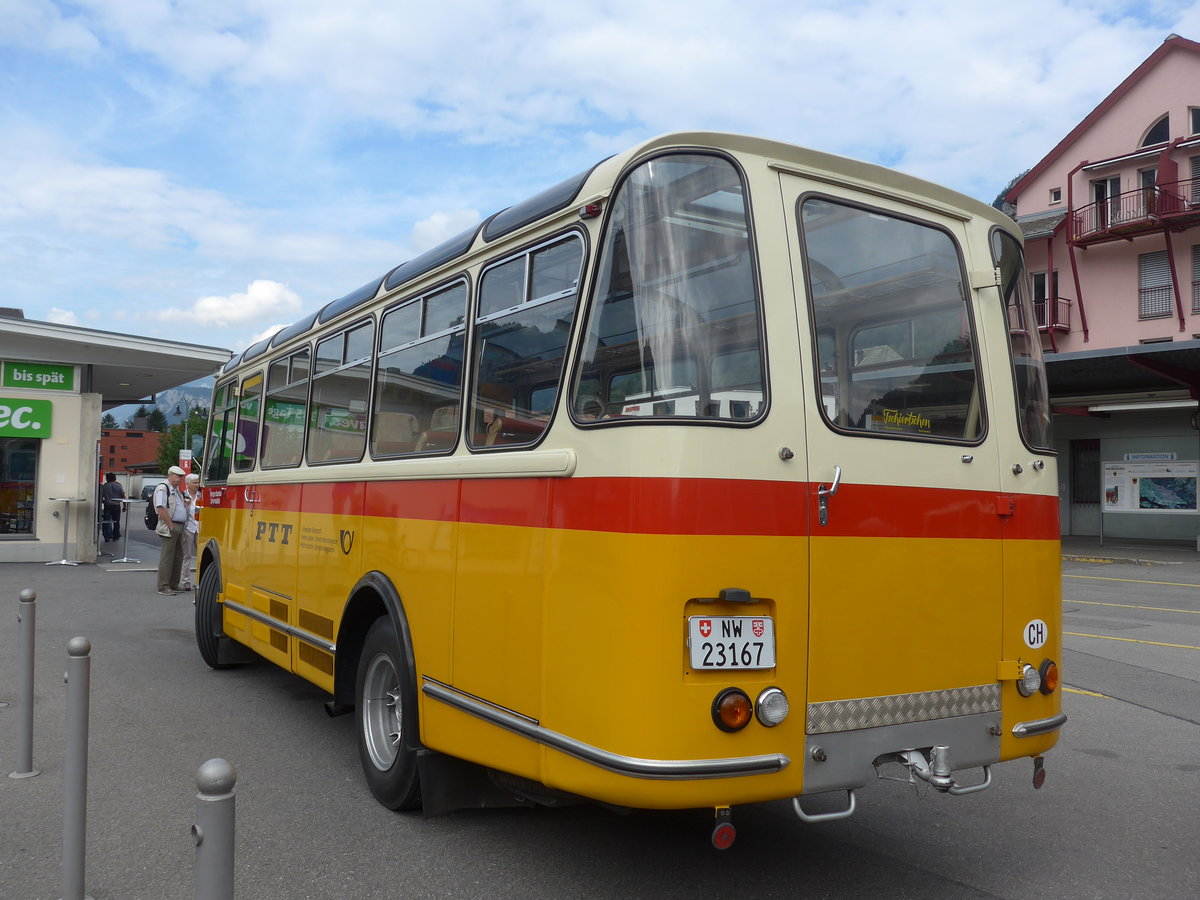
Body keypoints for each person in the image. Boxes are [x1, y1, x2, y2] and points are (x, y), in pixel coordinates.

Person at [154, 466, 191, 596]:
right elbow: (160, 508)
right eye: (178, 476)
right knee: (167, 557)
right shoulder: (163, 488)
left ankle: (173, 584)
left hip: (178, 525)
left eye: (181, 477)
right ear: (170, 476)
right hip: (171, 526)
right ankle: (163, 586)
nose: (181, 479)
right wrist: (171, 526)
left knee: (178, 556)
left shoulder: (176, 490)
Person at [180, 472, 201, 590]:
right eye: (194, 482)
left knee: (202, 555)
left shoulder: (201, 495)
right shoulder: (183, 495)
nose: (197, 485)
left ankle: (201, 581)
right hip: (188, 528)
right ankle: (185, 582)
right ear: (187, 484)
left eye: (198, 482)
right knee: (187, 556)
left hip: (200, 528)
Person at [100, 472, 125, 542]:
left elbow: (101, 497)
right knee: (117, 522)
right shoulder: (119, 485)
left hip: (107, 505)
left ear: (108, 478)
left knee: (106, 521)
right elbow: (123, 495)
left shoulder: (105, 486)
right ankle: (115, 536)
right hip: (116, 506)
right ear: (115, 478)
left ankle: (107, 536)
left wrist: (103, 502)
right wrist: (125, 506)